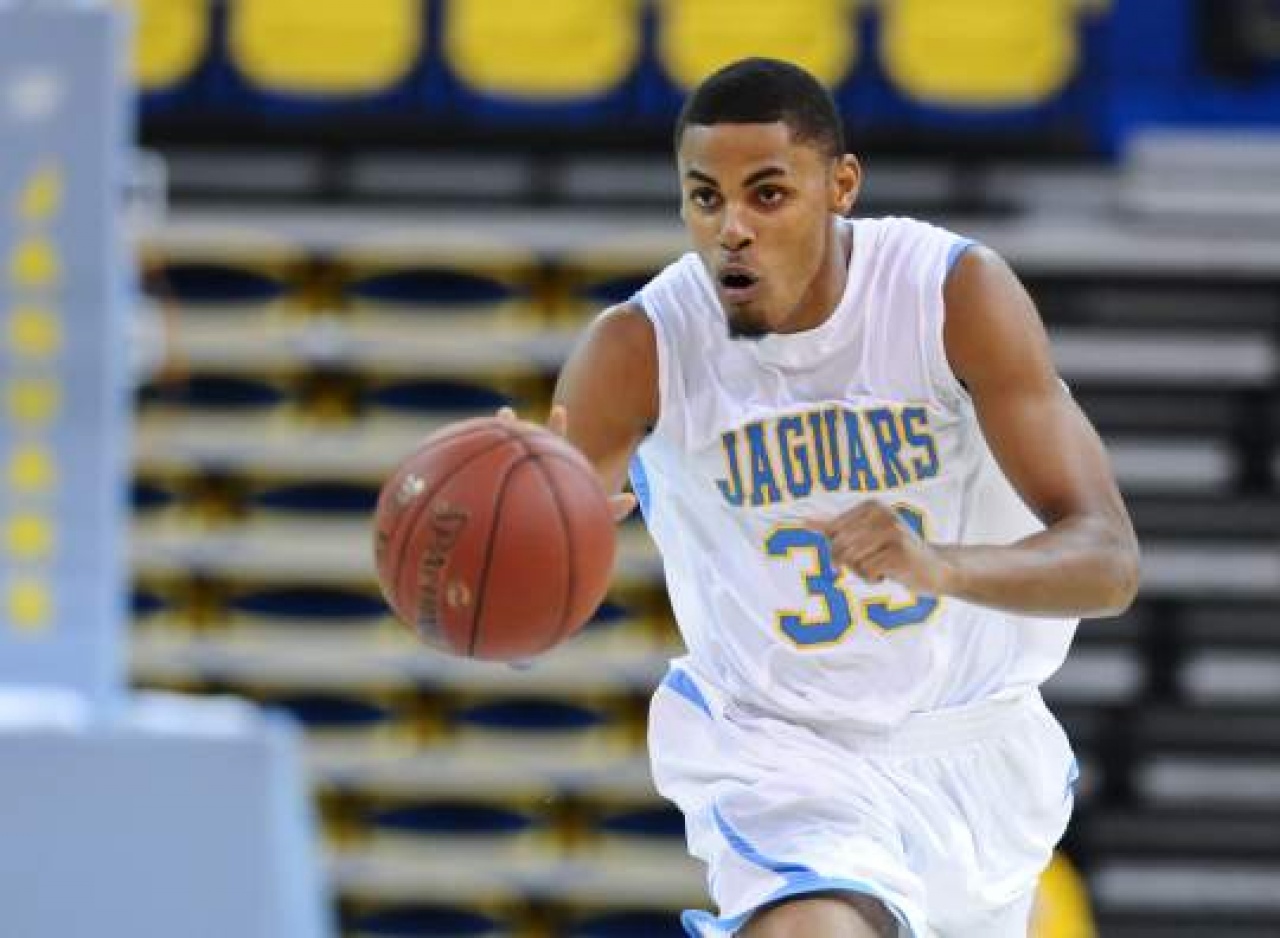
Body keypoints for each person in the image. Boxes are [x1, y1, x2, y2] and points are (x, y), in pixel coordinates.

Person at [546, 58, 1140, 937]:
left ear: (841, 185)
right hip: (780, 747)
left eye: (767, 194)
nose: (732, 229)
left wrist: (940, 566)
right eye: (706, 198)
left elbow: (1109, 563)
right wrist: (523, 542)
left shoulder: (950, 295)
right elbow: (521, 620)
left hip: (979, 753)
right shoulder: (639, 348)